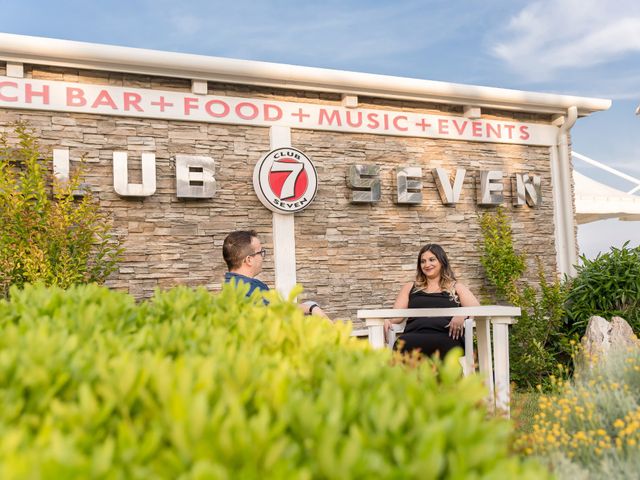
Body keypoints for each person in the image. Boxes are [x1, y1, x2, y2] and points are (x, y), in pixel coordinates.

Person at [384, 243, 480, 358]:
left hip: (446, 336)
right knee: (403, 343)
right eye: (423, 261)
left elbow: (476, 307)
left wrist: (461, 314)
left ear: (441, 261)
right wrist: (389, 321)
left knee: (443, 345)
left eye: (431, 260)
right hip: (414, 335)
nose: (427, 264)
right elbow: (397, 316)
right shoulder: (410, 287)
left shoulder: (455, 287)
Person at [222, 230, 330, 318]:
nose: (263, 257)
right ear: (249, 260)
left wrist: (309, 307)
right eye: (260, 252)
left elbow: (276, 307)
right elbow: (277, 315)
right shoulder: (249, 292)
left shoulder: (233, 286)